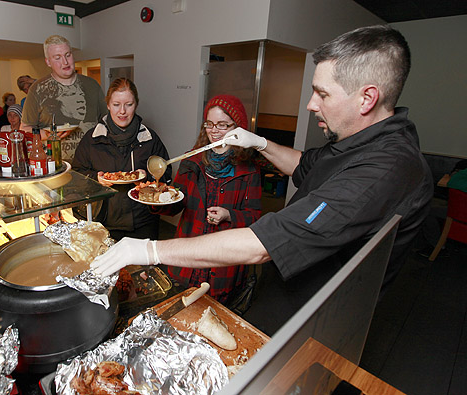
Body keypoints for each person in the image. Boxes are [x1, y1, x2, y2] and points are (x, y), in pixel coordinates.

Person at [91, 25, 433, 316]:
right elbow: (303, 165)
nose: (311, 103)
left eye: (322, 93)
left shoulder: (388, 168)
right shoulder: (352, 142)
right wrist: (261, 143)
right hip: (287, 294)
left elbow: (263, 242)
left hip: (320, 315)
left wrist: (150, 250)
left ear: (366, 98)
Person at [153, 94, 262, 308]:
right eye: (209, 124)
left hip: (224, 265)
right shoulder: (191, 160)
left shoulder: (249, 169)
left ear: (236, 127)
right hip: (188, 257)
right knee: (180, 311)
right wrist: (157, 200)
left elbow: (255, 217)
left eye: (222, 125)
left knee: (216, 316)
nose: (213, 130)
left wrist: (229, 215)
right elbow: (176, 205)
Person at [72, 78, 171, 240]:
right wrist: (95, 178)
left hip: (143, 222)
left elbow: (166, 175)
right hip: (104, 223)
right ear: (108, 105)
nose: (122, 111)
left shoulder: (150, 139)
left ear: (136, 105)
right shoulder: (92, 139)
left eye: (129, 104)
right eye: (116, 104)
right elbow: (76, 174)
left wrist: (148, 176)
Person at [21, 35, 106, 161]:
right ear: (48, 62)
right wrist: (48, 134)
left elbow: (105, 121)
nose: (65, 62)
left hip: (90, 164)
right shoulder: (38, 89)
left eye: (68, 55)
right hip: (54, 165)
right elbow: (24, 130)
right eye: (57, 58)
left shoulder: (92, 85)